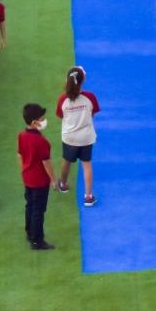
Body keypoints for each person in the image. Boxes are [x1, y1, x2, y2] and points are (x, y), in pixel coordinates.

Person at [56, 65, 100, 206]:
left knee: (66, 161)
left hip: (69, 138)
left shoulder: (63, 99)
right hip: (86, 137)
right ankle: (88, 196)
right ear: (83, 80)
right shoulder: (90, 97)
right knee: (87, 165)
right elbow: (92, 113)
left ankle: (63, 184)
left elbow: (60, 115)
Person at [18, 102, 57, 251]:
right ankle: (37, 240)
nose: (44, 120)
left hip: (27, 178)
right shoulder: (41, 141)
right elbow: (47, 163)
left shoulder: (22, 135)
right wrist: (54, 180)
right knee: (39, 210)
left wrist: (24, 170)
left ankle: (29, 232)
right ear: (35, 122)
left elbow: (20, 155)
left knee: (30, 205)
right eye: (42, 118)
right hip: (40, 181)